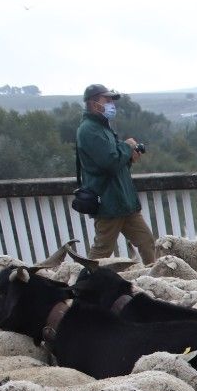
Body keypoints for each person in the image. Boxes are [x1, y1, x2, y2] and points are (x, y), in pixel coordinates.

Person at [76, 84, 157, 264]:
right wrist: (127, 147)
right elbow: (109, 162)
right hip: (108, 204)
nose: (112, 104)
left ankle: (157, 281)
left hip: (123, 203)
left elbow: (114, 162)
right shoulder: (89, 129)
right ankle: (87, 285)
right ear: (94, 103)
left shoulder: (102, 127)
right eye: (108, 100)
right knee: (101, 252)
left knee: (147, 242)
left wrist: (128, 158)